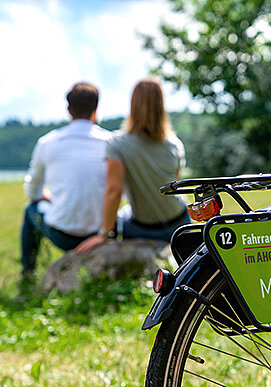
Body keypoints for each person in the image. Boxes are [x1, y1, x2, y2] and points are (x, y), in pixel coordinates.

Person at [76, 78, 190, 253]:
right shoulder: (175, 145)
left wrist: (104, 233)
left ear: (133, 105)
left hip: (143, 229)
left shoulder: (117, 144)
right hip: (180, 222)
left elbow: (114, 191)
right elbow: (175, 184)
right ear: (161, 105)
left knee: (125, 214)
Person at [20, 81, 111, 277]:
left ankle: (27, 272)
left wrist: (46, 196)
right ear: (96, 109)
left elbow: (32, 191)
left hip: (62, 236)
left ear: (68, 110)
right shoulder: (112, 143)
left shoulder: (47, 142)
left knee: (30, 210)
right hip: (100, 231)